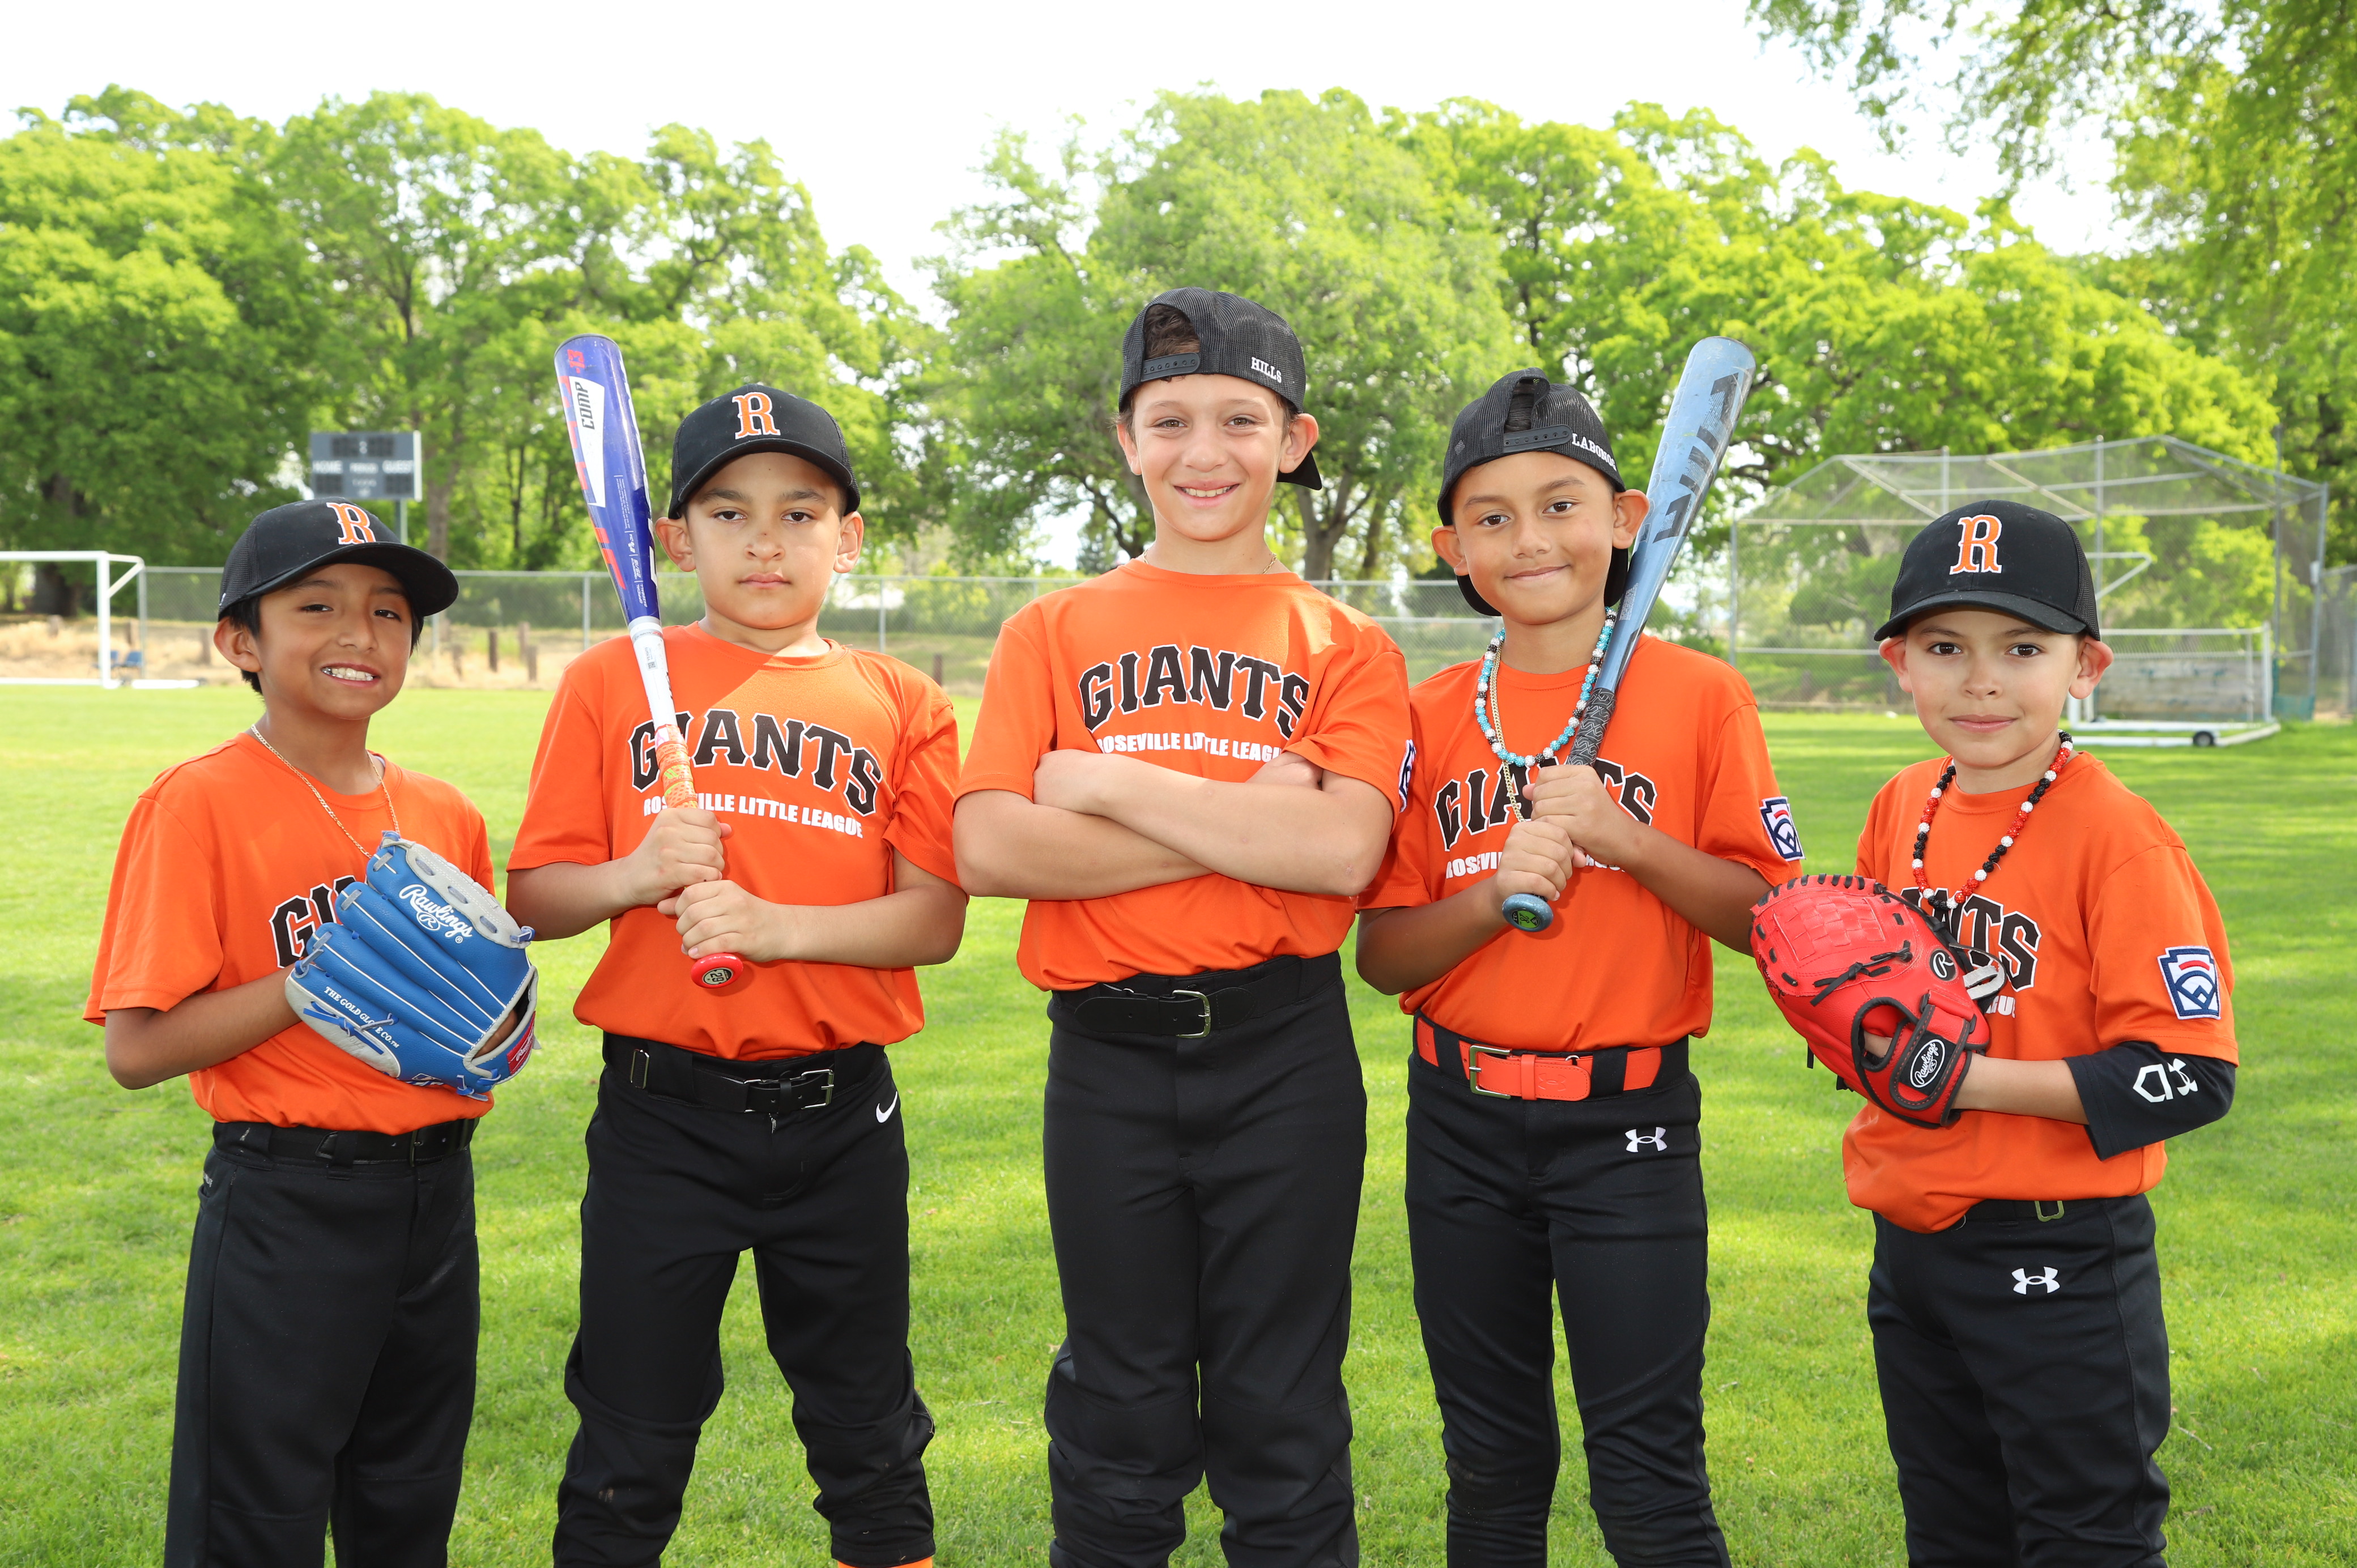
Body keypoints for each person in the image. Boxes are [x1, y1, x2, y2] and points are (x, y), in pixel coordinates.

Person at [952, 287, 1411, 1568]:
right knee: (1121, 1397)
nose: (1203, 452)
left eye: (1239, 420)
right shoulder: (1050, 629)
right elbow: (988, 848)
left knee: (1282, 1404)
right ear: (1127, 439)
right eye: (1169, 421)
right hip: (1105, 1056)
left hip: (1284, 1056)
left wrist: (1099, 780)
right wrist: (1247, 819)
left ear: (1295, 439)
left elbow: (1342, 852)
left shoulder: (1347, 644)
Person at [506, 385, 964, 1568]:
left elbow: (933, 920)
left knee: (868, 1428)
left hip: (842, 1117)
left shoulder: (903, 701)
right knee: (630, 1430)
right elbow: (535, 900)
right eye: (727, 512)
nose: (765, 540)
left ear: (846, 538)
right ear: (672, 539)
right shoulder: (609, 682)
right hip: (662, 1119)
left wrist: (773, 926)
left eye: (799, 512)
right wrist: (635, 873)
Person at [1355, 371, 1802, 1567]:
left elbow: (1772, 915)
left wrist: (1628, 842)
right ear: (1453, 550)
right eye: (1492, 517)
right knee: (1490, 1464)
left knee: (1648, 1472)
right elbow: (1382, 955)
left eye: (1561, 504)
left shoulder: (1701, 696)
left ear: (1626, 518)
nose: (1530, 539)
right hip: (1458, 1121)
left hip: (1629, 1128)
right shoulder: (1426, 712)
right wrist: (1488, 900)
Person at [1789, 500, 2236, 1566]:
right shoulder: (1902, 804)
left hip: (2059, 1253)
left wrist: (1963, 1078)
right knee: (1951, 1535)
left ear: (2087, 666)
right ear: (1900, 664)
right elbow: (1888, 1006)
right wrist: (1850, 1037)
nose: (1981, 680)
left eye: (2023, 648)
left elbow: (2191, 1074)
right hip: (1913, 1247)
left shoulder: (2120, 839)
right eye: (1946, 647)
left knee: (2086, 1537)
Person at [87, 499, 526, 1568]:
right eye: (316, 606)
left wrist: (498, 1032)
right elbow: (136, 1051)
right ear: (241, 641)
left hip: (437, 1196)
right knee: (255, 1520)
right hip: (288, 1202)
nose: (359, 634)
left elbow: (470, 1012)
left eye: (389, 612)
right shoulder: (197, 804)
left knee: (408, 1504)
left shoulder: (446, 815)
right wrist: (315, 980)